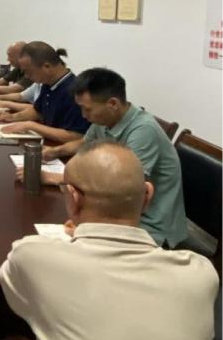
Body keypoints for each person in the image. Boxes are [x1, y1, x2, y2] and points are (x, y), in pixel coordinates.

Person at [0, 141, 217, 340]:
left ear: (73, 198)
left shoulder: (32, 257)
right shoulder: (200, 273)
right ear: (147, 196)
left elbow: (18, 303)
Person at [26, 67, 187, 249]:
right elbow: (83, 144)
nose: (84, 115)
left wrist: (54, 178)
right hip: (116, 209)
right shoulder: (105, 120)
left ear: (112, 104)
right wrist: (54, 152)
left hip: (149, 223)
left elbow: (126, 186)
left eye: (87, 109)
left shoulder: (144, 130)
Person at [0, 42, 90, 143]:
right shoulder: (47, 83)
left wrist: (31, 126)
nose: (27, 76)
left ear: (46, 67)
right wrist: (12, 117)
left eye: (28, 71)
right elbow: (37, 111)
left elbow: (76, 136)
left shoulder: (75, 91)